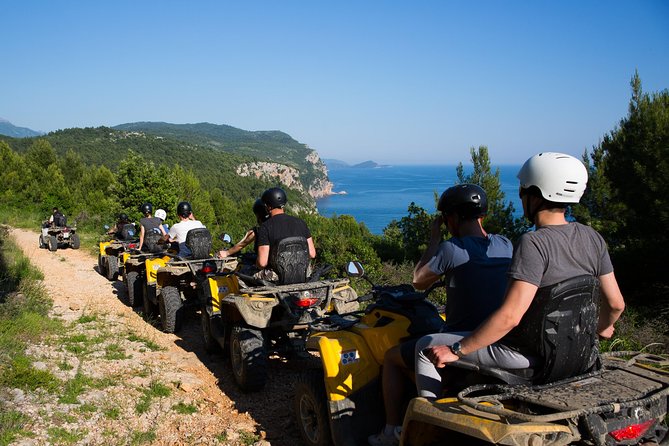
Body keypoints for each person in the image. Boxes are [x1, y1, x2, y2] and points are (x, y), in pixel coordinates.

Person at [414, 152, 626, 401]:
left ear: (535, 195)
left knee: (423, 346)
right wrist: (601, 328)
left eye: (523, 190)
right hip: (576, 353)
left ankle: (424, 421)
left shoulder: (533, 243)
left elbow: (510, 317)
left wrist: (457, 350)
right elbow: (616, 304)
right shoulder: (592, 237)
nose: (521, 196)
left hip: (524, 354)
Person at [368, 184, 513, 446]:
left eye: (446, 219)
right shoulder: (505, 244)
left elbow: (418, 280)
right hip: (497, 338)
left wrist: (434, 238)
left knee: (391, 358)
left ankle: (392, 431)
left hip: (461, 342)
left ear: (452, 218)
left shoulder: (450, 248)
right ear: (482, 216)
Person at [255, 187, 316, 280]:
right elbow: (312, 254)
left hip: (278, 277)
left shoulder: (265, 227)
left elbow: (262, 263)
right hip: (303, 273)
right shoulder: (301, 223)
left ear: (268, 207)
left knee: (243, 271)